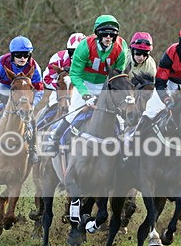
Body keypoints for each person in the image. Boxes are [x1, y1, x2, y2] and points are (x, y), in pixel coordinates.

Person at [135, 23, 181, 184]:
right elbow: (160, 82)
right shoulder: (170, 52)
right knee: (150, 110)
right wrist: (167, 100)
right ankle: (133, 145)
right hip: (168, 84)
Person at [45, 15, 129, 153]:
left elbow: (118, 75)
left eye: (112, 34)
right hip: (84, 83)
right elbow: (75, 75)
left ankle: (125, 150)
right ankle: (54, 141)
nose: (109, 37)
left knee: (119, 117)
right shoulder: (84, 46)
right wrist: (85, 95)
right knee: (72, 114)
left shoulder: (121, 48)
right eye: (105, 34)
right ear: (98, 34)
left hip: (105, 84)